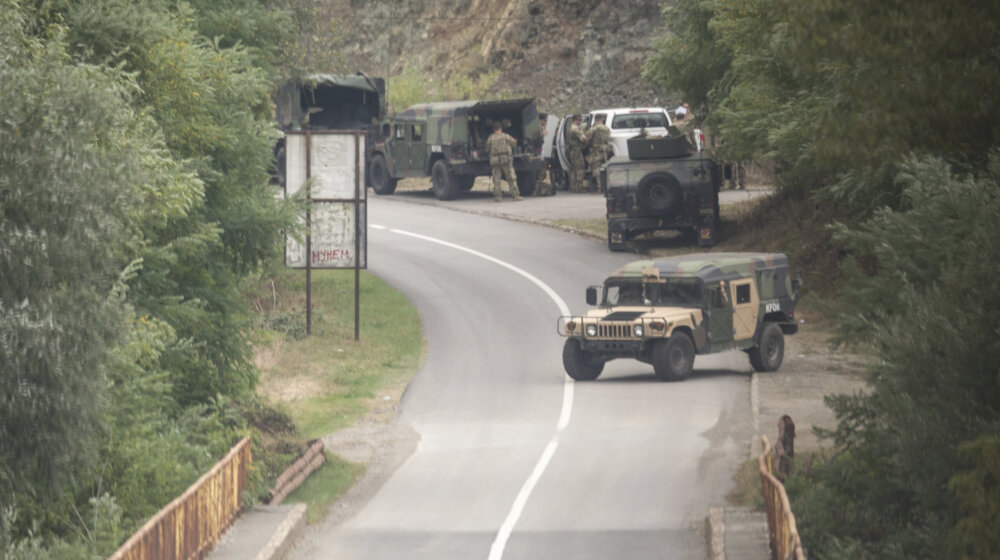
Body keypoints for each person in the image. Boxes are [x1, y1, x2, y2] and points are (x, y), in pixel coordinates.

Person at [485, 121, 522, 202]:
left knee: (496, 179)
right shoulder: (506, 136)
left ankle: (498, 197)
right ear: (501, 128)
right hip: (506, 160)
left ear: (493, 129)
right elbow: (513, 143)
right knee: (511, 178)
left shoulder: (491, 138)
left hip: (495, 160)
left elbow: (487, 149)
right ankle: (515, 196)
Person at [585, 114, 611, 191]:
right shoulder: (607, 128)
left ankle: (600, 186)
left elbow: (586, 137)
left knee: (596, 168)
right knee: (605, 167)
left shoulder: (594, 128)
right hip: (606, 150)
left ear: (595, 120)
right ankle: (606, 185)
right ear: (602, 120)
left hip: (596, 150)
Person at [533, 113, 555, 196]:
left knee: (542, 172)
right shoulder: (536, 128)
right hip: (537, 152)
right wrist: (543, 134)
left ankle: (538, 190)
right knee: (540, 172)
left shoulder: (541, 128)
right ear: (541, 120)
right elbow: (535, 139)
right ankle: (536, 190)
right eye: (545, 120)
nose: (546, 122)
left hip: (541, 151)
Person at [566, 114, 587, 193]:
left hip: (571, 150)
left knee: (573, 169)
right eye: (579, 120)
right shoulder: (575, 129)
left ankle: (573, 187)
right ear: (575, 120)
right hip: (576, 150)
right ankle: (579, 187)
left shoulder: (570, 128)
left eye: (581, 120)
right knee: (580, 168)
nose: (580, 122)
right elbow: (584, 139)